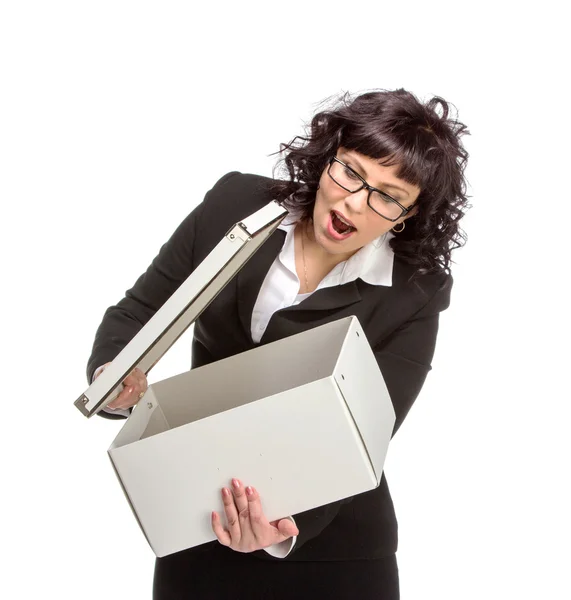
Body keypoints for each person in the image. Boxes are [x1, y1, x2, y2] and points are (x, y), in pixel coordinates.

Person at [86, 88, 470, 599]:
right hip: (199, 521)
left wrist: (281, 528)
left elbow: (364, 436)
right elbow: (138, 313)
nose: (355, 202)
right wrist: (115, 375)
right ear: (328, 153)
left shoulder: (415, 292)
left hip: (331, 551)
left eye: (387, 195)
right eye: (350, 172)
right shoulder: (236, 207)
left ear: (407, 215)